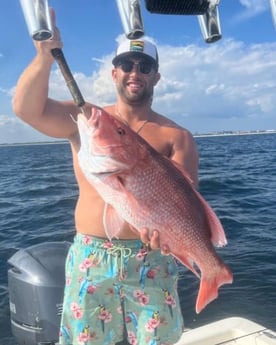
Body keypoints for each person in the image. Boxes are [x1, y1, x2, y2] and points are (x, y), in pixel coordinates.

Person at [13, 12, 198, 345]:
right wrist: (44, 58)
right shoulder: (88, 119)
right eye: (126, 64)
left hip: (151, 259)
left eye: (144, 66)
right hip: (91, 257)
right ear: (114, 72)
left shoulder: (177, 136)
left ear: (156, 76)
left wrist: (171, 238)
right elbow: (28, 110)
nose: (134, 72)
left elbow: (186, 203)